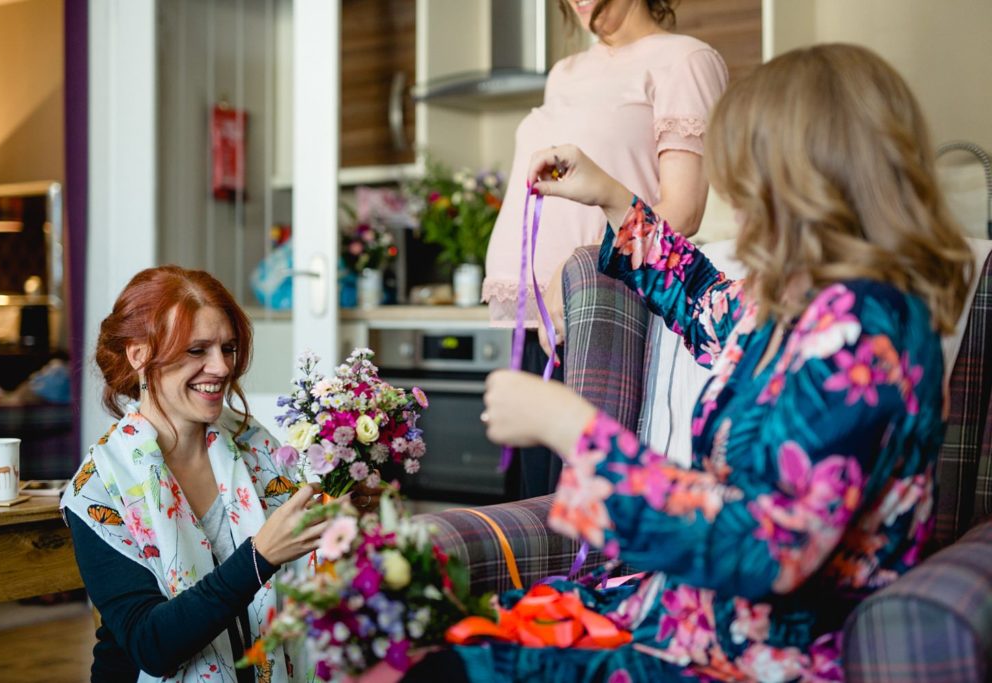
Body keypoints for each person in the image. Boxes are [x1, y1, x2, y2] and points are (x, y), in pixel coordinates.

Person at [414, 44, 975, 681]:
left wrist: (574, 427)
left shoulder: (866, 334)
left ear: (807, 181)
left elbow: (769, 550)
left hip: (755, 655)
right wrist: (612, 199)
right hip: (693, 617)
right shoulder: (813, 307)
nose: (741, 205)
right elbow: (708, 305)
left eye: (750, 181)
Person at [61, 266, 381, 682]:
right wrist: (258, 558)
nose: (221, 367)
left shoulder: (252, 442)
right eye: (197, 350)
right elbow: (150, 646)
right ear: (138, 354)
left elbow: (309, 562)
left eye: (227, 348)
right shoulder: (98, 489)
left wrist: (341, 513)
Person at [482, 0, 728, 498]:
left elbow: (682, 212)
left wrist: (577, 268)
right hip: (535, 322)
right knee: (531, 511)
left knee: (577, 514)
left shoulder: (685, 60)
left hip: (598, 309)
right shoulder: (564, 72)